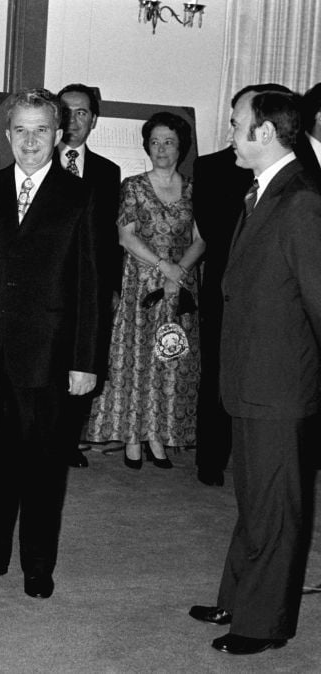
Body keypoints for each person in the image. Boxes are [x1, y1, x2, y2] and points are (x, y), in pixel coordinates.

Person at [0, 88, 101, 600]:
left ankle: (37, 563)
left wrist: (85, 360)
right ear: (7, 134)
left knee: (42, 464)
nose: (30, 141)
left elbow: (91, 285)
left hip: (50, 355)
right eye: (20, 130)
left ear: (59, 135)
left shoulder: (82, 196)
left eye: (40, 130)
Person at [189, 90, 321, 656]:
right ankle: (237, 597)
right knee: (255, 501)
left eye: (238, 123)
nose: (232, 132)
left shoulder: (301, 202)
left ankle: (263, 624)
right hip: (251, 380)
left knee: (277, 508)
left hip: (280, 384)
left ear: (265, 133)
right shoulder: (266, 192)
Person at [86, 112, 204, 470]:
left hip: (180, 285)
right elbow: (125, 236)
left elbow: (201, 239)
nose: (161, 148)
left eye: (168, 141)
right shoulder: (134, 186)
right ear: (146, 147)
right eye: (154, 142)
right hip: (142, 282)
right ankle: (133, 438)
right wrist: (164, 267)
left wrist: (179, 271)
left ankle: (159, 436)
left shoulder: (194, 189)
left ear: (180, 146)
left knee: (170, 359)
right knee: (137, 360)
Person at [193, 84, 293, 487]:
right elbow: (213, 231)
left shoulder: (294, 183)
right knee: (216, 374)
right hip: (221, 285)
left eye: (237, 122)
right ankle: (210, 457)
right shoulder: (211, 167)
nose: (231, 130)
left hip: (267, 300)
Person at [55, 83, 122, 468]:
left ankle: (67, 443)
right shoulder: (38, 162)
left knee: (83, 361)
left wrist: (111, 286)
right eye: (67, 112)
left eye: (82, 113)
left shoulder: (107, 172)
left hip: (89, 285)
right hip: (47, 285)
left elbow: (110, 237)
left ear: (93, 120)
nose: (74, 120)